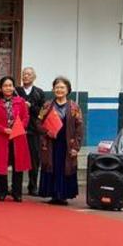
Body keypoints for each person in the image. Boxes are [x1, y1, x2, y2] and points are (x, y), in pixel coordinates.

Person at [37, 77, 84, 205]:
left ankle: (63, 195)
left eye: (62, 87)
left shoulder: (74, 107)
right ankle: (53, 194)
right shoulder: (47, 106)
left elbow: (79, 127)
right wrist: (47, 132)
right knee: (52, 166)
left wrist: (76, 147)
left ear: (68, 90)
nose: (59, 90)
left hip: (67, 143)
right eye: (57, 87)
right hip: (51, 143)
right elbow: (38, 123)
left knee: (65, 167)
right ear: (53, 89)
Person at [0, 76, 31, 202]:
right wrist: (3, 129)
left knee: (18, 165)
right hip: (2, 137)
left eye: (10, 85)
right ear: (1, 88)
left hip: (18, 137)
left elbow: (26, 117)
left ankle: (17, 192)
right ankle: (2, 191)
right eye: (5, 86)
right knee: (1, 164)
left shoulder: (21, 101)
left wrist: (19, 127)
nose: (8, 88)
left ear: (14, 87)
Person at [16, 66, 46, 196]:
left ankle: (33, 186)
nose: (26, 76)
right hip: (18, 129)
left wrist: (31, 106)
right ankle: (16, 187)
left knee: (34, 159)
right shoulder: (16, 91)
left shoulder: (39, 92)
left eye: (28, 74)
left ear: (34, 77)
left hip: (34, 130)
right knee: (17, 158)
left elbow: (43, 112)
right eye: (24, 74)